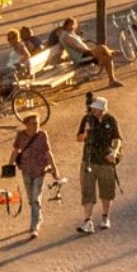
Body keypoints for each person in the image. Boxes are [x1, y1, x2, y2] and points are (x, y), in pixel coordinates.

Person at [75, 96, 122, 233]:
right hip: (88, 161)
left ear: (101, 109)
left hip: (106, 162)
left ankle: (105, 217)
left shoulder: (110, 120)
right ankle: (87, 221)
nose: (92, 110)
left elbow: (117, 139)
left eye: (95, 108)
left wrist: (114, 152)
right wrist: (86, 132)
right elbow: (79, 138)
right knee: (87, 191)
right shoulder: (87, 119)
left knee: (106, 191)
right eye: (92, 108)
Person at [8, 113, 54, 240]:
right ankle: (38, 216)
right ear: (26, 125)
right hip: (26, 171)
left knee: (35, 198)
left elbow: (48, 153)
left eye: (38, 123)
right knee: (30, 198)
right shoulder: (21, 136)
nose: (37, 126)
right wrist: (9, 166)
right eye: (34, 123)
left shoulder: (42, 135)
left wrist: (55, 170)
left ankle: (34, 227)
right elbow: (15, 151)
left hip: (40, 171)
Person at [52, 16, 119, 88]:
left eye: (74, 24)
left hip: (86, 55)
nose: (72, 27)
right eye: (70, 25)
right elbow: (77, 48)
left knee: (107, 58)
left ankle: (112, 81)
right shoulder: (66, 36)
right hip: (81, 57)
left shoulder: (72, 34)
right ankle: (111, 52)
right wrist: (90, 52)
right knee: (102, 47)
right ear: (66, 26)